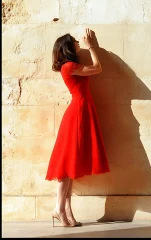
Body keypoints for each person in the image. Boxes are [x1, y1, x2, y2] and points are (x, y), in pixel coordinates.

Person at [45, 28, 110, 227]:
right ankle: (58, 208)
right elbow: (98, 68)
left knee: (71, 164)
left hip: (81, 111)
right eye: (74, 41)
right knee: (66, 164)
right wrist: (92, 46)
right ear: (67, 47)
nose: (77, 42)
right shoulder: (69, 66)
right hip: (78, 113)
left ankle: (67, 213)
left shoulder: (71, 65)